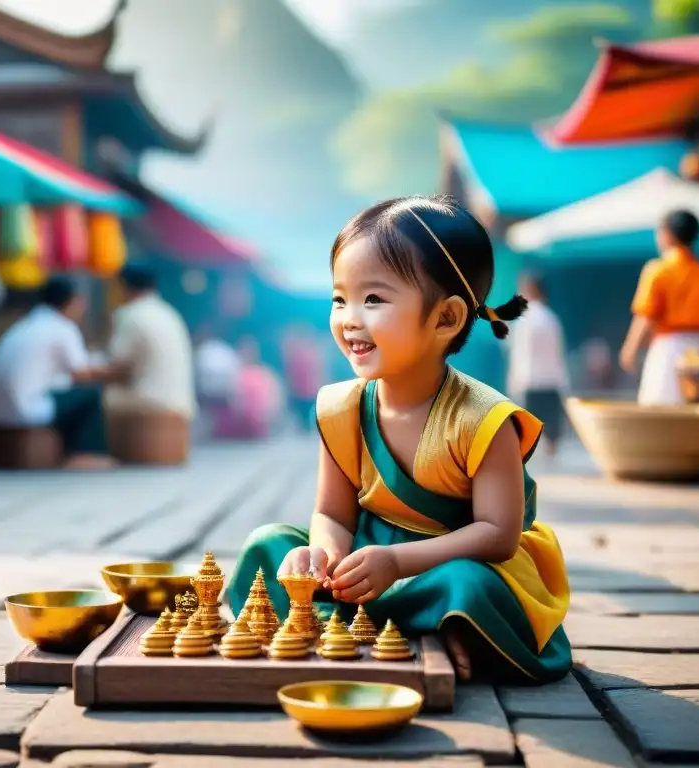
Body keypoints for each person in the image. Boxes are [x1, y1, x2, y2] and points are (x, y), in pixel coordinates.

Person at [226, 196, 571, 685]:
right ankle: (400, 629)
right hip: (366, 560)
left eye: (374, 300)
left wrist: (398, 561)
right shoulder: (340, 407)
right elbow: (333, 513)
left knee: (468, 588)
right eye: (339, 298)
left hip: (449, 562)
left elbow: (498, 536)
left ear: (446, 319)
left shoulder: (485, 419)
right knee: (269, 546)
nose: (349, 318)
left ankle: (430, 626)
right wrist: (322, 556)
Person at [0, 275, 116, 470]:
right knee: (90, 393)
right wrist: (115, 371)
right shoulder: (62, 327)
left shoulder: (25, 324)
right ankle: (86, 454)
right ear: (71, 302)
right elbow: (82, 374)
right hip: (26, 409)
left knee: (69, 396)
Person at [620, 210, 699, 405]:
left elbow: (646, 316)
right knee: (695, 410)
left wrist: (630, 349)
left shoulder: (657, 270)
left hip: (667, 350)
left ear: (666, 235)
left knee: (661, 410)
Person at [102, 263, 196, 424]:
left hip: (147, 403)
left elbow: (118, 367)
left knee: (96, 397)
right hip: (183, 404)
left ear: (123, 287)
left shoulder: (129, 314)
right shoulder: (169, 313)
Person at [507, 273, 569, 458]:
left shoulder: (524, 321)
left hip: (529, 382)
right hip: (551, 382)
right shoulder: (553, 319)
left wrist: (514, 383)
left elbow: (519, 355)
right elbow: (558, 354)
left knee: (524, 436)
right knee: (552, 438)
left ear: (529, 291)